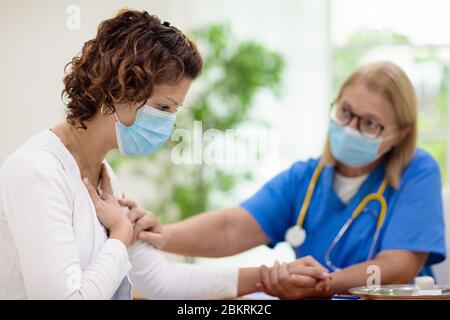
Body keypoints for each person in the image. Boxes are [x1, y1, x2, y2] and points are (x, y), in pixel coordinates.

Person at [0, 9, 329, 300]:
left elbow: (162, 281)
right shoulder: (36, 172)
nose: (169, 124)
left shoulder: (104, 178)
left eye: (174, 111)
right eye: (163, 107)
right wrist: (120, 236)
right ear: (116, 90)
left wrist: (269, 278)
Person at [135, 61, 447, 299]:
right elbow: (231, 228)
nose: (351, 128)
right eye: (345, 112)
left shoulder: (417, 171)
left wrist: (325, 283)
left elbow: (400, 265)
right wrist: (162, 235)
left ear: (399, 136)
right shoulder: (305, 179)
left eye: (370, 124)